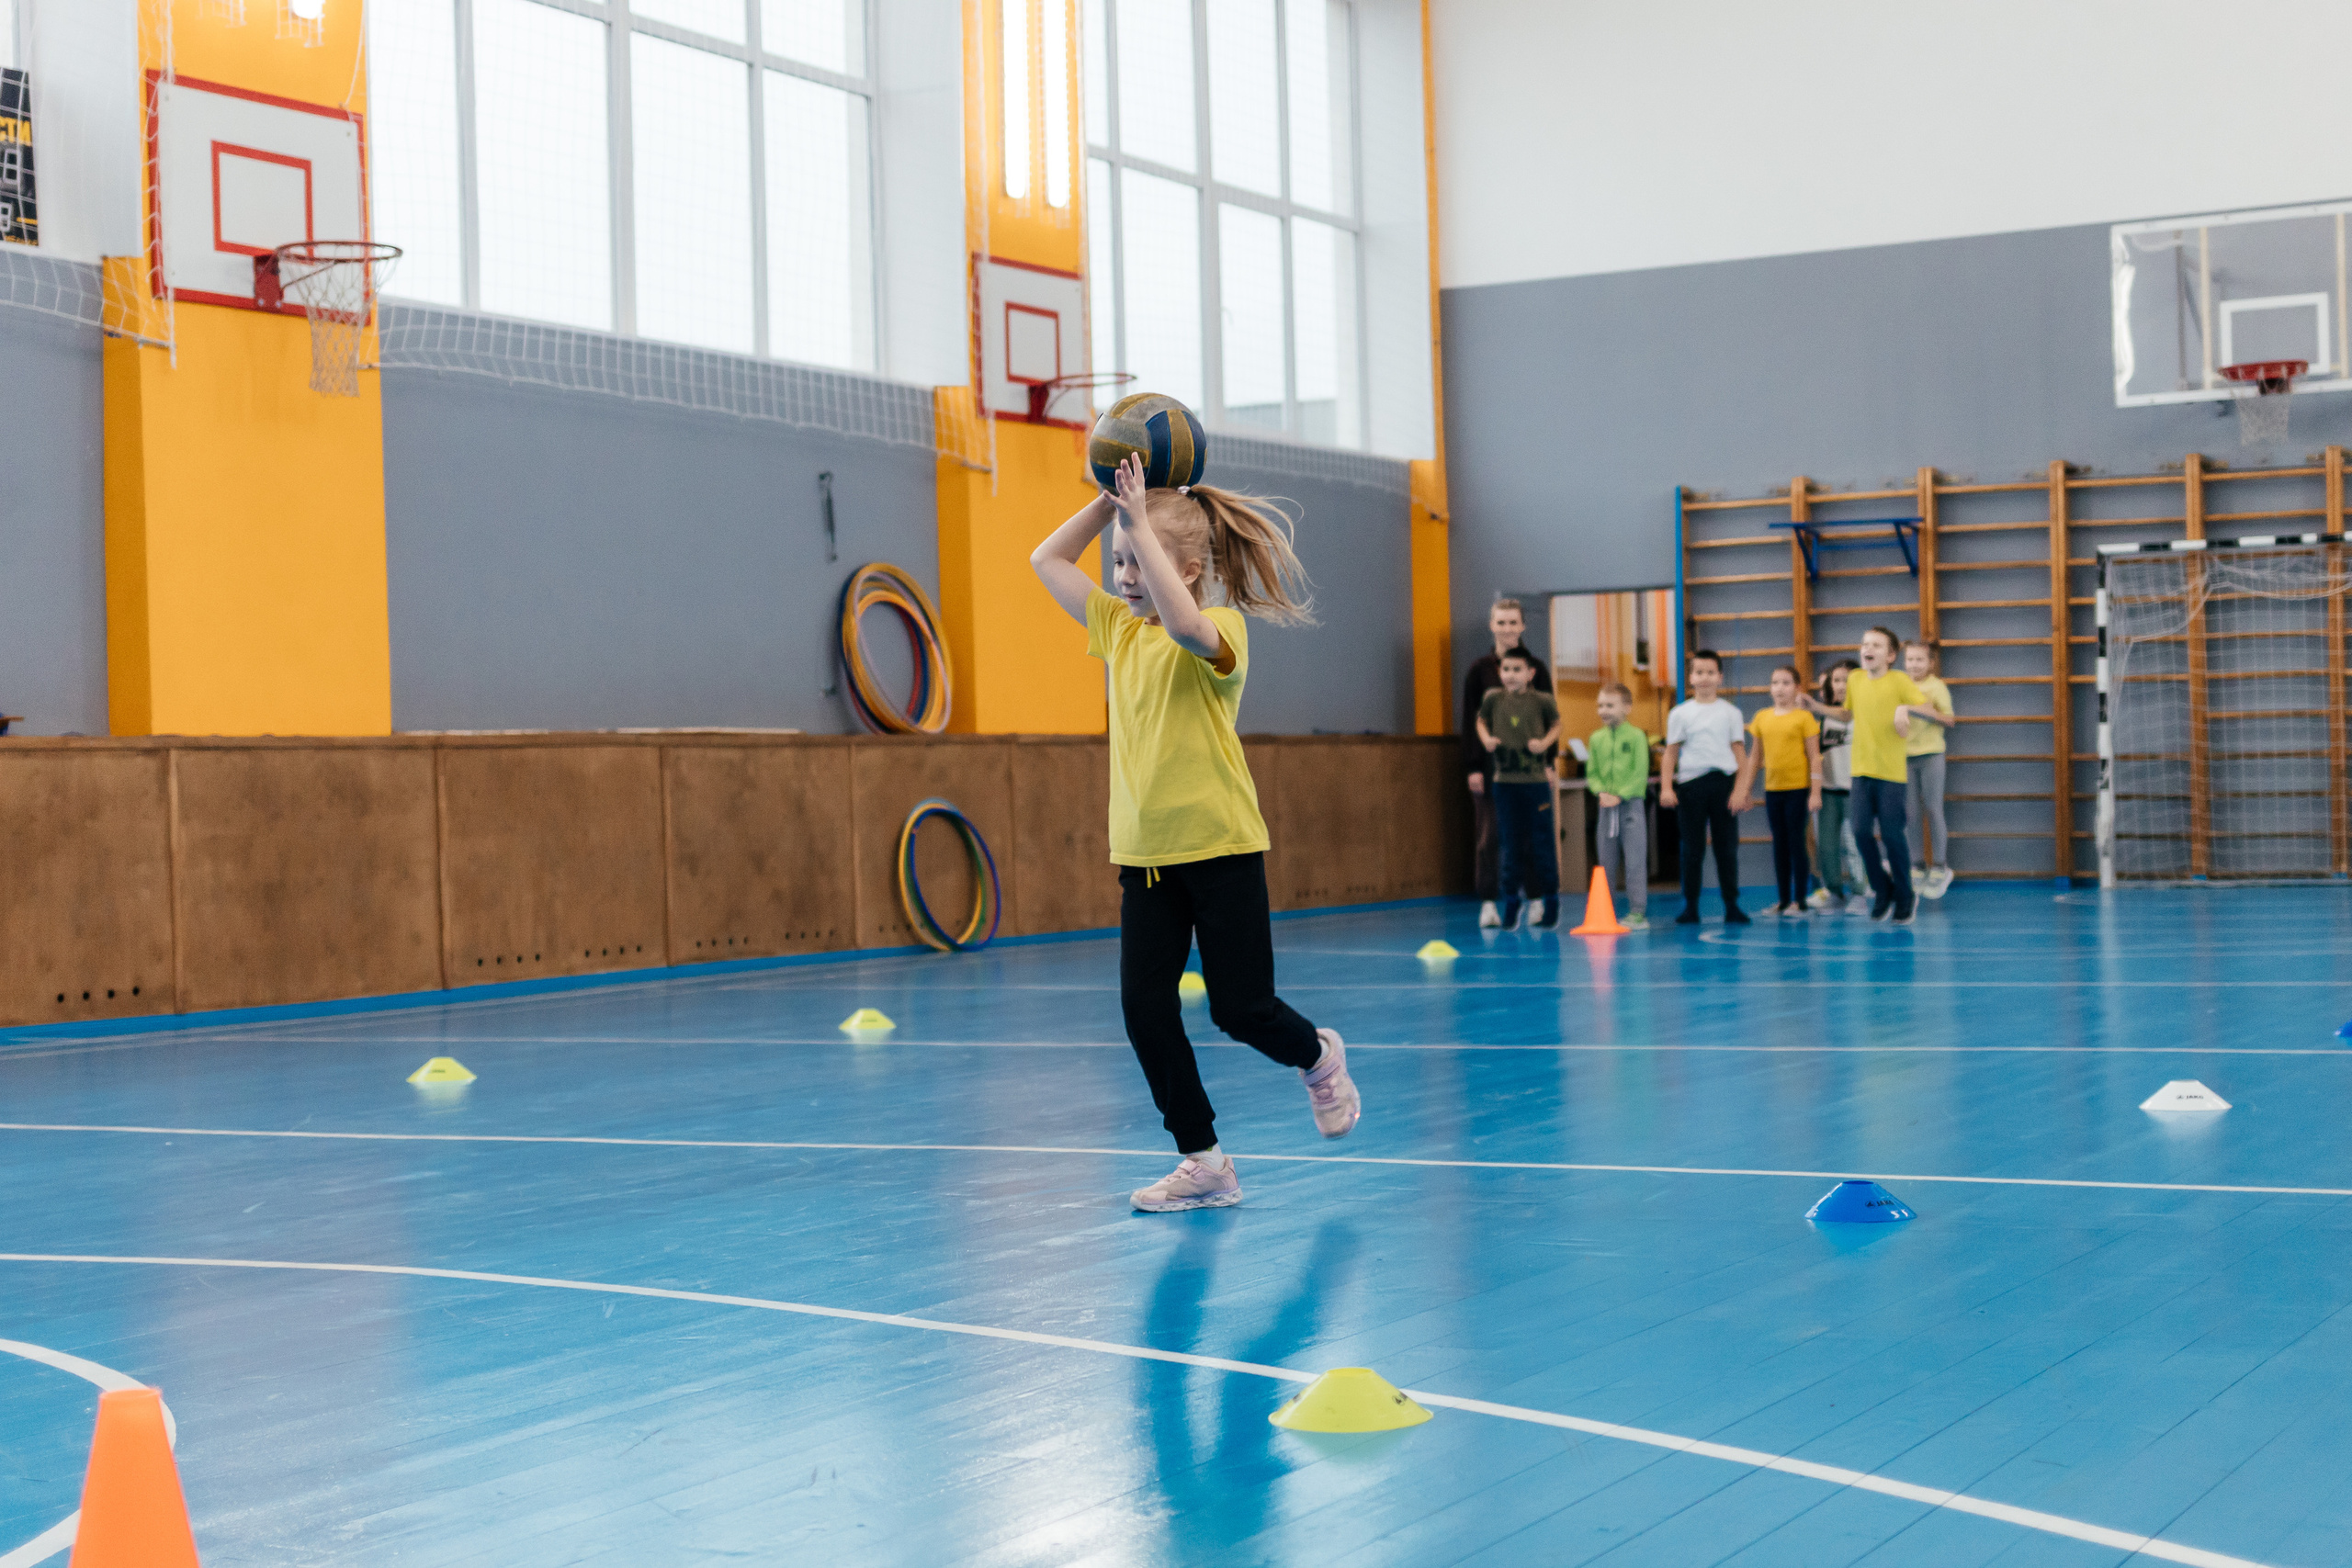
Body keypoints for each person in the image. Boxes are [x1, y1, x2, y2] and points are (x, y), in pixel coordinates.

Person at [1030, 454, 1361, 1213]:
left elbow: (1182, 621)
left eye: (1137, 561)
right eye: (1117, 561)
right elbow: (1045, 559)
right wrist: (1105, 504)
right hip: (1145, 859)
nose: (1122, 575)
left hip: (1221, 848)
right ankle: (1203, 1157)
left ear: (1184, 567)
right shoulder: (1115, 629)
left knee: (1241, 1009)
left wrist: (1141, 522)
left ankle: (1318, 1056)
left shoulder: (1222, 630)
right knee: (1145, 1009)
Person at [1804, 626, 1941, 924]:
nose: (1868, 648)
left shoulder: (1899, 680)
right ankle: (1883, 890)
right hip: (1861, 773)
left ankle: (1905, 895)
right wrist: (1816, 706)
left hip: (1891, 774)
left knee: (1892, 835)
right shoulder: (1855, 680)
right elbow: (1847, 714)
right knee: (1860, 832)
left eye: (1877, 645)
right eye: (1865, 643)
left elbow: (1928, 707)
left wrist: (1904, 708)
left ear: (1891, 655)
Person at [1460, 599, 1553, 929]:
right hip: (1491, 771)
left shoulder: (1537, 669)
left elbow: (1549, 719)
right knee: (1490, 836)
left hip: (1529, 771)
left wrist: (1549, 762)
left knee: (1530, 835)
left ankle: (1536, 900)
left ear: (1523, 626)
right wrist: (1473, 766)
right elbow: (1471, 721)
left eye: (1513, 623)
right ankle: (1488, 903)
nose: (1507, 629)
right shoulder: (1478, 671)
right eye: (1501, 623)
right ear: (1492, 626)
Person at [1660, 649, 1749, 925]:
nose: (1705, 678)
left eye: (1710, 672)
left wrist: (1740, 790)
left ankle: (1731, 904)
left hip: (1723, 784)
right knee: (1692, 849)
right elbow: (1671, 753)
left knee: (1726, 848)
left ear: (1720, 677)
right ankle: (1691, 906)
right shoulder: (1680, 713)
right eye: (1699, 672)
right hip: (1690, 786)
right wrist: (1666, 787)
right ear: (1690, 677)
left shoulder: (1731, 713)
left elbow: (1740, 754)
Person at [1476, 650, 1562, 930]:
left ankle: (1550, 902)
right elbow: (1480, 721)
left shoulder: (1542, 700)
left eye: (1517, 669)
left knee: (1542, 843)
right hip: (1505, 783)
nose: (1511, 675)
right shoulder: (1493, 698)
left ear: (1530, 673)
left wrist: (1545, 743)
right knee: (1510, 845)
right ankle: (1511, 902)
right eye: (1506, 669)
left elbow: (1556, 725)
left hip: (1535, 784)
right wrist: (1487, 738)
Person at [1731, 665, 1821, 917]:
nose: (1779, 688)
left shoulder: (1804, 718)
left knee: (1796, 842)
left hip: (1798, 790)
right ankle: (1783, 901)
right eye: (1775, 683)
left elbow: (1815, 757)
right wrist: (1745, 790)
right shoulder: (1762, 717)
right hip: (1773, 791)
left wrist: (1815, 792)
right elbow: (1755, 757)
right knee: (1779, 845)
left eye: (1786, 683)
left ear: (1797, 688)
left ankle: (1800, 901)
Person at [1586, 681, 1652, 930]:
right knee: (1605, 861)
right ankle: (1606, 911)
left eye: (1610, 705)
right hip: (1605, 807)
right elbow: (1591, 772)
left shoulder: (1636, 736)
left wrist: (1621, 795)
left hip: (1630, 806)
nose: (1604, 710)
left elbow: (1640, 772)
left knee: (1635, 860)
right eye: (1600, 705)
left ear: (1627, 707)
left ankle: (1637, 912)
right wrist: (1600, 791)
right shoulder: (1596, 738)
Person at [1808, 660, 1868, 914]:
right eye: (1837, 680)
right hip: (1829, 792)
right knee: (1827, 844)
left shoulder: (1863, 712)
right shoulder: (1822, 720)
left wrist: (1812, 704)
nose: (1842, 685)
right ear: (1829, 685)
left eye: (1848, 679)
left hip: (1856, 790)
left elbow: (1847, 714)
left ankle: (1860, 893)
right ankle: (1833, 891)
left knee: (1855, 844)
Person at [1902, 638, 1959, 898]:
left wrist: (1925, 711)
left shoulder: (1937, 687)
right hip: (1903, 757)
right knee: (1911, 813)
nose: (1913, 664)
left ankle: (1939, 866)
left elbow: (1949, 719)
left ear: (1930, 663)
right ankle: (1917, 865)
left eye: (1919, 660)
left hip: (1931, 756)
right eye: (1910, 659)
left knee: (1933, 809)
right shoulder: (1900, 685)